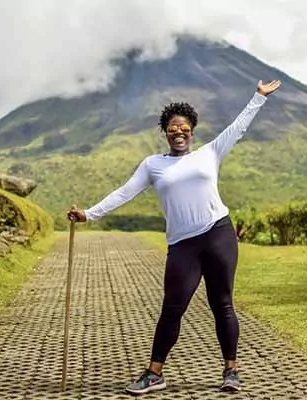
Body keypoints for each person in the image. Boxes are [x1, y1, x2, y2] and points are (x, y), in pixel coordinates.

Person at [67, 79, 282, 395]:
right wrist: (90, 214)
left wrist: (258, 97)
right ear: (165, 132)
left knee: (222, 303)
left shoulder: (210, 152)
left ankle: (231, 371)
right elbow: (125, 192)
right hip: (182, 245)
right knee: (173, 307)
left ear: (192, 131)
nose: (178, 132)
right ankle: (154, 374)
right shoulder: (153, 165)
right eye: (172, 128)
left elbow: (239, 127)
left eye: (184, 128)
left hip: (218, 235)